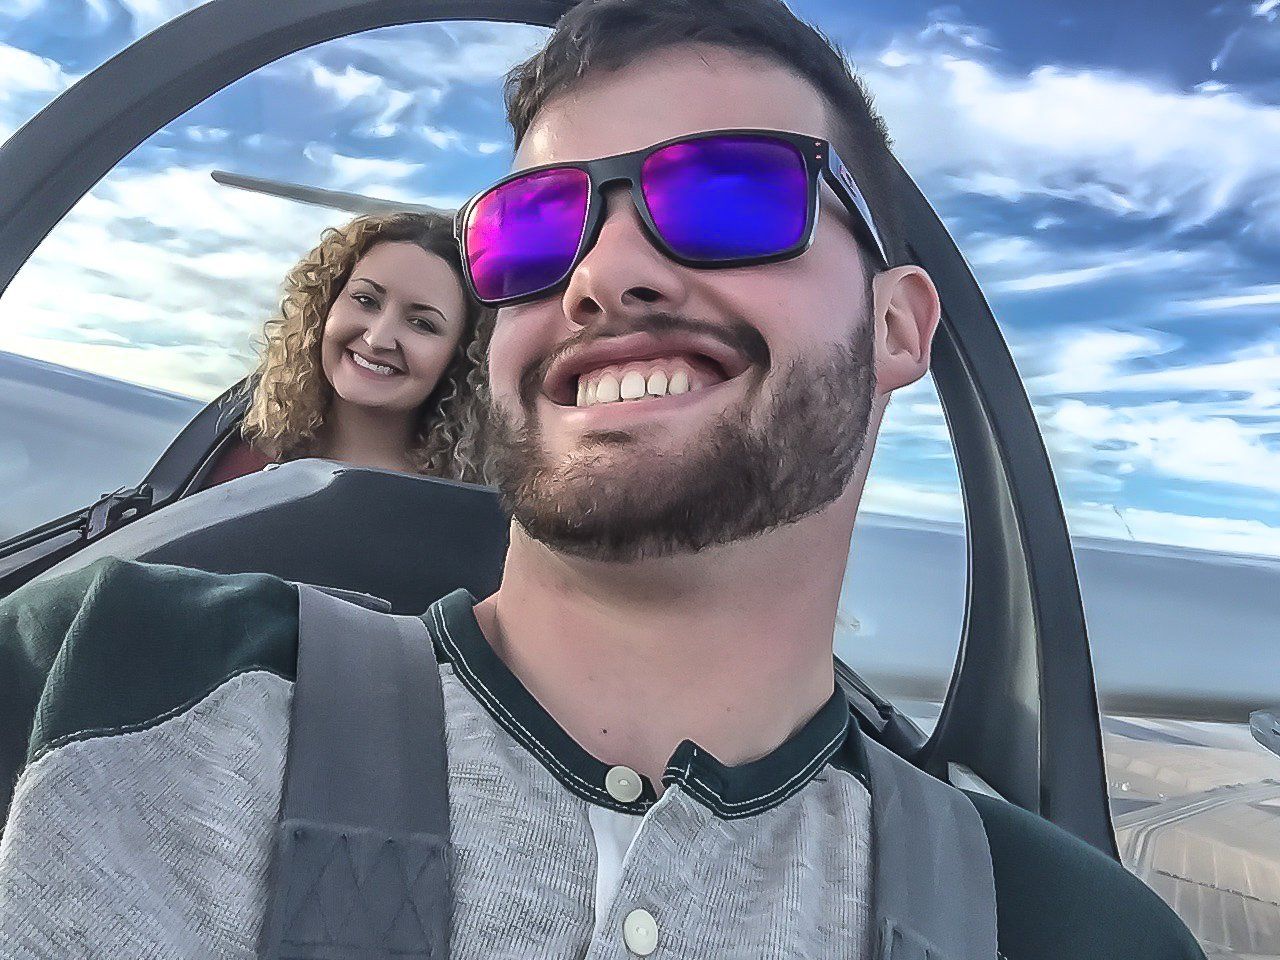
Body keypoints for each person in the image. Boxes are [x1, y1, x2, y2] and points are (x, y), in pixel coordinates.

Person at [0, 1, 1207, 958]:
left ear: (898, 325)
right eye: (534, 226)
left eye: (731, 193)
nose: (602, 271)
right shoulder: (97, 673)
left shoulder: (1072, 931)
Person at [201, 210, 492, 486]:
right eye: (366, 300)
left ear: (464, 355)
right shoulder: (232, 454)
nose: (377, 339)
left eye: (421, 323)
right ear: (327, 304)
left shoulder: (458, 517)